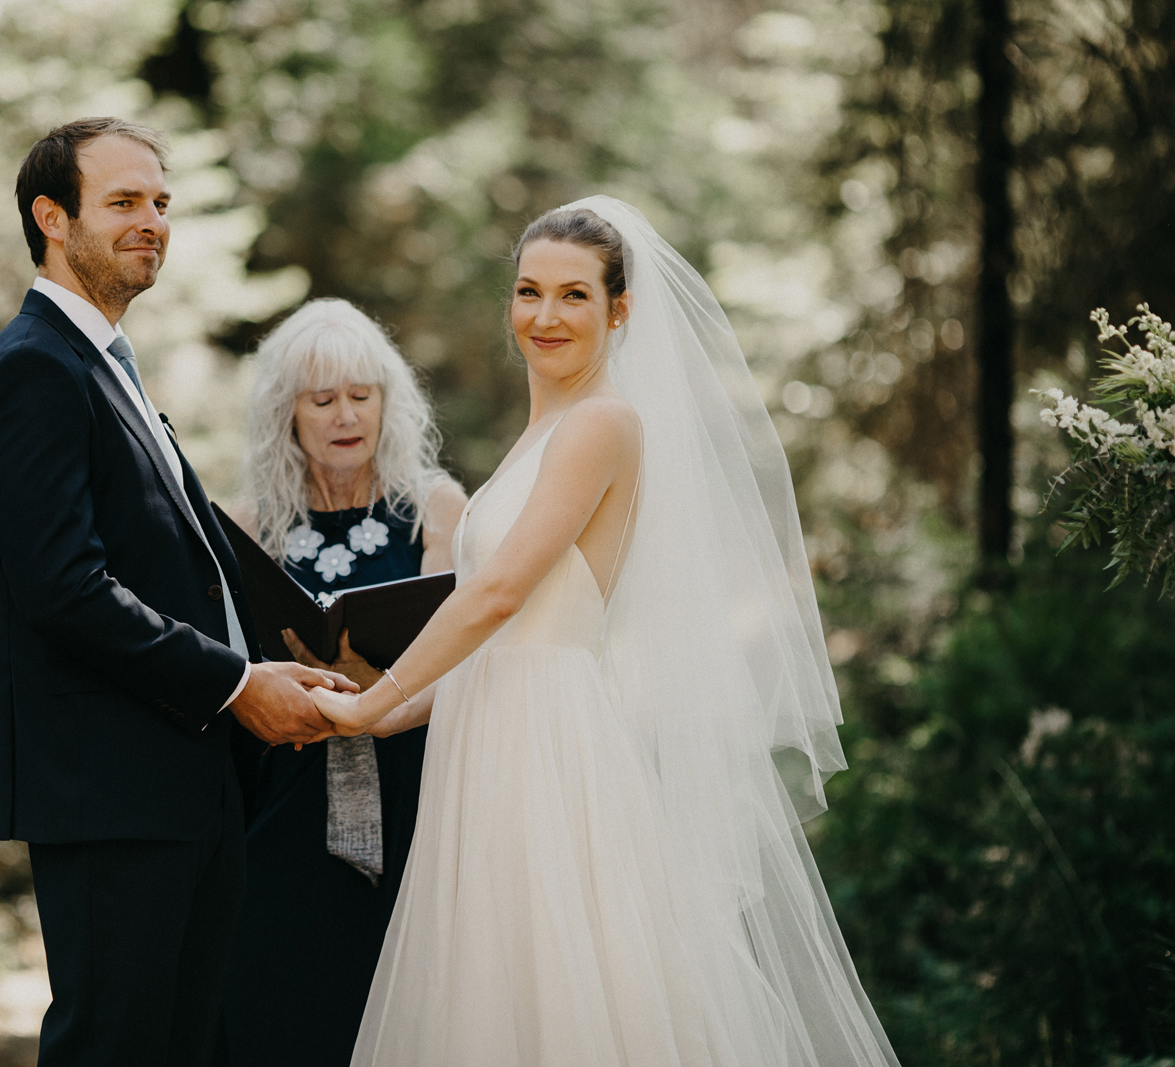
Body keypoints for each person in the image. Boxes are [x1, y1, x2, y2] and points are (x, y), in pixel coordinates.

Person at [312, 198, 901, 1067]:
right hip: (488, 735)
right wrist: (366, 710)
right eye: (528, 292)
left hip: (550, 750)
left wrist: (376, 704)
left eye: (574, 296)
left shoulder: (603, 423)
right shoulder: (539, 434)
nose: (544, 317)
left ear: (619, 310)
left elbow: (502, 594)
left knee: (569, 998)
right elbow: (491, 641)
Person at [0, 117, 354, 1067]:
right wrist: (236, 686)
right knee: (115, 1046)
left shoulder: (103, 365)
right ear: (52, 218)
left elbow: (187, 562)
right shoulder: (32, 371)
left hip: (185, 779)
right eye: (124, 201)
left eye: (162, 203)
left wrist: (303, 651)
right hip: (110, 786)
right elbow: (67, 589)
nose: (153, 221)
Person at [219, 299, 466, 1067]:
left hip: (412, 790)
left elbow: (463, 656)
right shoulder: (248, 523)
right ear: (284, 413)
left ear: (389, 402)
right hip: (285, 798)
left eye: (361, 394)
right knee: (280, 1005)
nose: (344, 415)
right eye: (321, 400)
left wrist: (379, 686)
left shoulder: (435, 507)